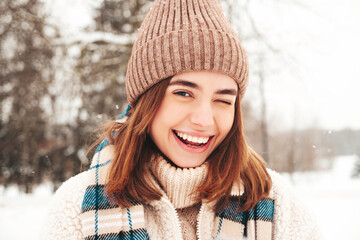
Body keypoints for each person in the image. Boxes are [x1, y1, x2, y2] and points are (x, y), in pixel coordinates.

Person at [42, 0, 321, 239]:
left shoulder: (275, 205)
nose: (203, 119)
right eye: (184, 93)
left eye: (223, 100)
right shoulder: (78, 207)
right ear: (146, 99)